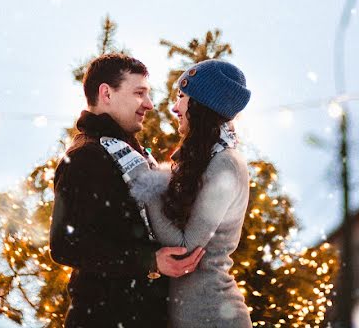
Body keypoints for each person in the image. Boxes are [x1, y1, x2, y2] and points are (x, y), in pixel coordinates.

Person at [49, 53, 205, 328]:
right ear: (106, 93)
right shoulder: (86, 156)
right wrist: (149, 260)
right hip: (104, 318)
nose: (149, 104)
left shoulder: (131, 154)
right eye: (139, 93)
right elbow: (65, 245)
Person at [129, 59, 253, 328]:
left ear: (201, 104)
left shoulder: (226, 164)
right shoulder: (206, 159)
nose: (174, 107)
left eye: (182, 97)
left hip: (215, 317)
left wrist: (146, 184)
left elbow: (184, 248)